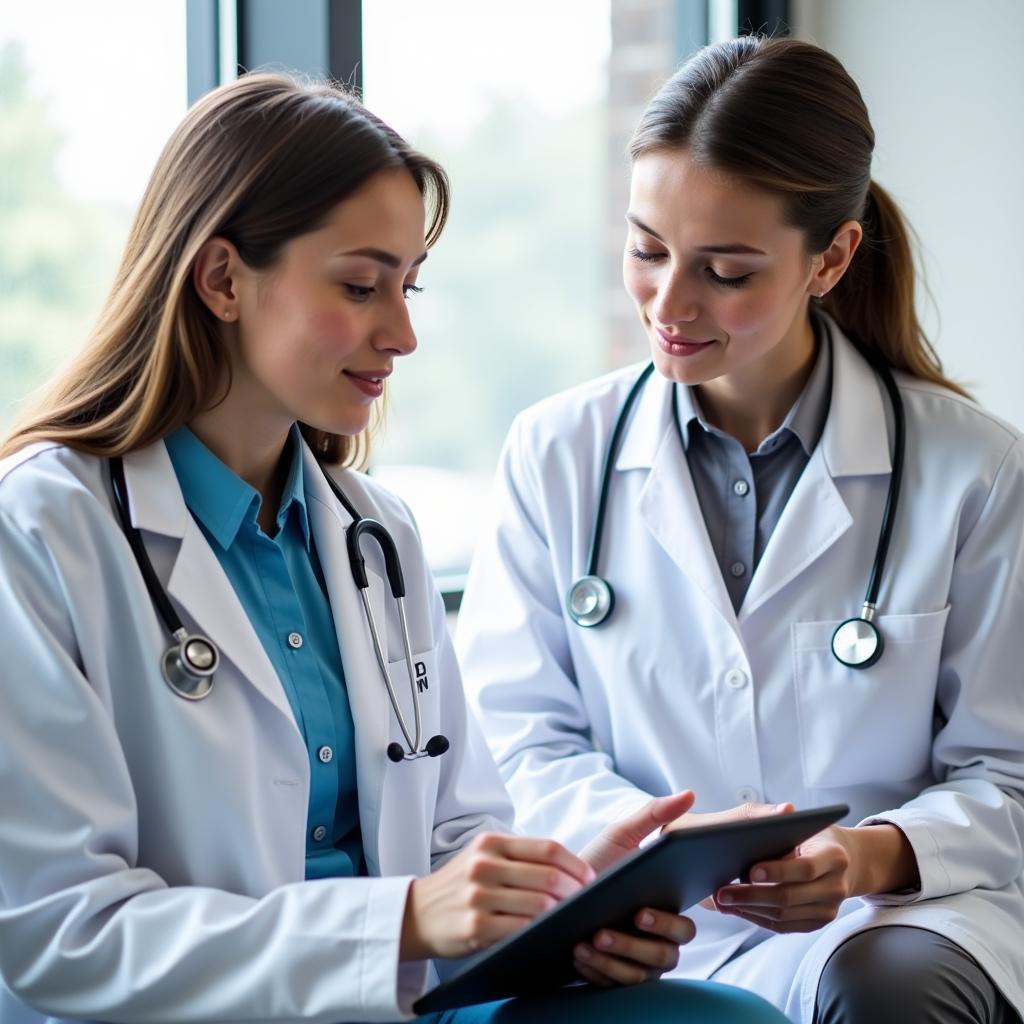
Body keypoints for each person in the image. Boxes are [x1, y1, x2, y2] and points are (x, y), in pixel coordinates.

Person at [0, 73, 788, 1024]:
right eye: (361, 285)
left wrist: (565, 903)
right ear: (220, 280)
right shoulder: (44, 532)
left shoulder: (375, 533)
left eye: (407, 287)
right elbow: (59, 935)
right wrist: (403, 919)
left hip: (403, 1003)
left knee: (726, 1021)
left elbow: (456, 831)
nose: (404, 332)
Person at [456, 35, 1024, 1024]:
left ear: (831, 258)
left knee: (884, 994)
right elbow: (514, 738)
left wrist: (863, 856)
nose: (668, 302)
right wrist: (642, 846)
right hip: (631, 916)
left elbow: (1008, 773)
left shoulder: (970, 469)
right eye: (645, 248)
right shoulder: (556, 454)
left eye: (724, 270)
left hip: (886, 922)